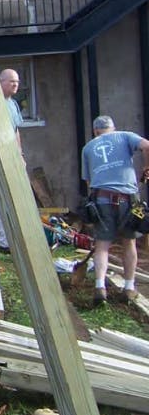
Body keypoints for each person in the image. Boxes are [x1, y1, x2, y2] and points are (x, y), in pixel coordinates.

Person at [81, 115, 149, 305]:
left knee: (102, 245)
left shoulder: (88, 148)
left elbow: (89, 183)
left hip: (101, 198)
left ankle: (100, 287)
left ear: (95, 131)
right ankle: (128, 288)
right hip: (128, 198)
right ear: (113, 128)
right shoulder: (125, 136)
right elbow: (147, 146)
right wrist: (146, 168)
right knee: (129, 243)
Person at [0, 68, 25, 253]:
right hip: (0, 155)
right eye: (12, 81)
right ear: (1, 82)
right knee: (2, 196)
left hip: (13, 156)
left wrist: (20, 154)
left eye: (18, 82)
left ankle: (15, 236)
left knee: (15, 194)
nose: (15, 85)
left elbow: (16, 131)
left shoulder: (13, 104)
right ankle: (4, 241)